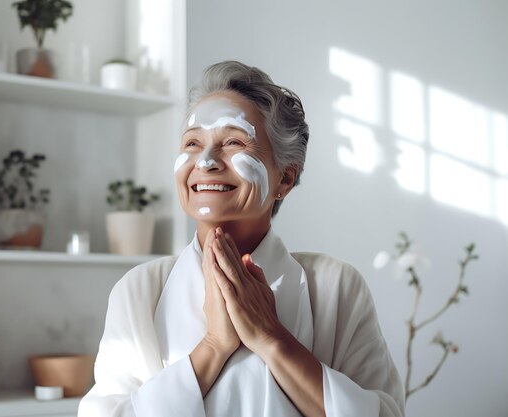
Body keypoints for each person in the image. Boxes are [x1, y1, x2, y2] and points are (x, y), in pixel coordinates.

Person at [78, 61, 405, 417]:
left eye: (233, 141)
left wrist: (271, 337)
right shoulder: (139, 290)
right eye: (192, 143)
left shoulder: (335, 286)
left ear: (285, 179)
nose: (205, 161)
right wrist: (213, 346)